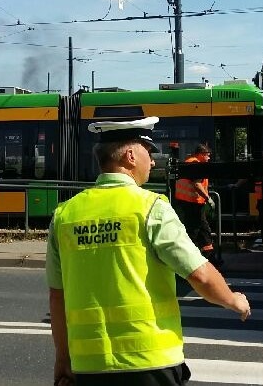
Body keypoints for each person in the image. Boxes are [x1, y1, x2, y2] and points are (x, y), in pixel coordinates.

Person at [47, 117, 250, 386]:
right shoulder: (150, 207)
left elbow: (57, 297)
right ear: (130, 155)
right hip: (150, 364)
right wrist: (233, 300)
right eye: (149, 152)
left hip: (89, 366)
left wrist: (63, 359)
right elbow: (198, 274)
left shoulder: (64, 215)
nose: (153, 161)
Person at [173, 143, 217, 262]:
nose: (209, 158)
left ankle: (208, 254)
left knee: (199, 228)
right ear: (201, 154)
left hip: (187, 201)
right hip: (192, 202)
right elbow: (197, 184)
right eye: (207, 156)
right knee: (197, 228)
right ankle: (200, 256)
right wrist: (208, 198)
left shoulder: (189, 162)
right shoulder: (196, 164)